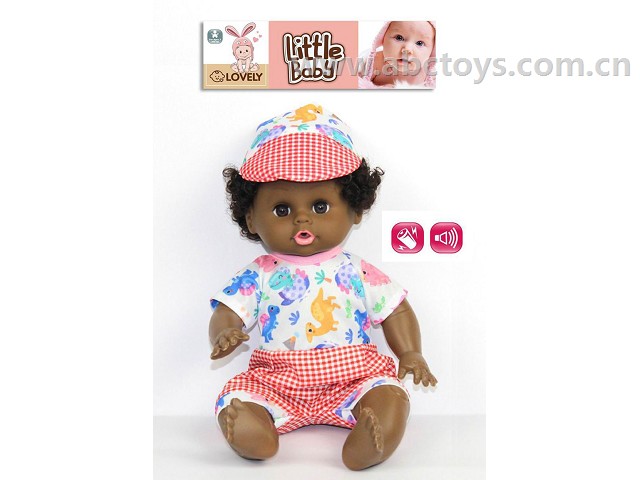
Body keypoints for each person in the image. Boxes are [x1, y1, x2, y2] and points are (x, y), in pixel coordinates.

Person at [209, 104, 437, 470]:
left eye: (320, 206)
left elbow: (395, 309)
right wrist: (224, 332)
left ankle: (377, 427)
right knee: (237, 395)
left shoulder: (357, 271)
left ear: (355, 210)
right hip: (277, 382)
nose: (302, 218)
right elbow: (228, 310)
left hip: (354, 378)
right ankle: (255, 429)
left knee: (388, 390)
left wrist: (411, 352)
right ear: (251, 218)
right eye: (282, 209)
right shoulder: (259, 275)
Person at [359, 21, 436, 89]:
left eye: (420, 43)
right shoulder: (374, 63)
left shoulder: (428, 73)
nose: (407, 49)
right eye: (399, 38)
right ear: (383, 39)